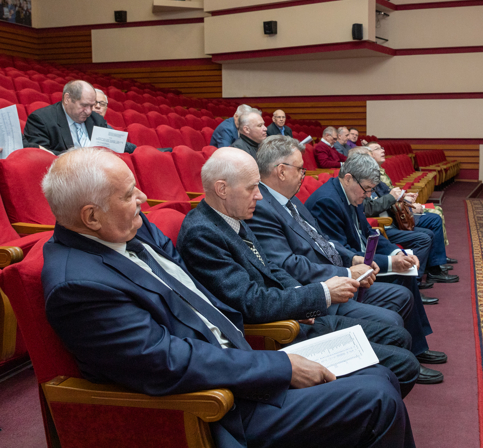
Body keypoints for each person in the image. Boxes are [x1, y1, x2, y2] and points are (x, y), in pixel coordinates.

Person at [41, 147, 414, 448]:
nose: (142, 198)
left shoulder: (130, 227)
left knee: (381, 375)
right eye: (127, 195)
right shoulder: (78, 286)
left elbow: (198, 294)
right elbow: (167, 361)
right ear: (91, 217)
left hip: (241, 358)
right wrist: (280, 367)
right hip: (217, 405)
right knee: (377, 398)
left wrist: (288, 318)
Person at [177, 148, 420, 396]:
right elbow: (250, 302)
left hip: (298, 315)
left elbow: (270, 267)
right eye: (251, 188)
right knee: (403, 365)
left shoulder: (231, 216)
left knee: (398, 337)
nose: (259, 195)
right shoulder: (202, 233)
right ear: (222, 189)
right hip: (280, 335)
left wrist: (302, 297)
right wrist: (322, 293)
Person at [247, 136, 445, 383]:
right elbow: (287, 265)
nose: (303, 175)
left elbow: (324, 241)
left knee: (401, 297)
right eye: (300, 169)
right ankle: (390, 373)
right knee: (394, 319)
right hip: (317, 290)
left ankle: (403, 363)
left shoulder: (290, 200)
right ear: (281, 171)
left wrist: (353, 259)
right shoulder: (263, 207)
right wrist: (347, 274)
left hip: (334, 276)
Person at [356, 145, 457, 284]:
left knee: (431, 226)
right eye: (368, 158)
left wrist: (405, 200)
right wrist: (395, 198)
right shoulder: (360, 184)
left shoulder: (373, 179)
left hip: (393, 218)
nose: (372, 161)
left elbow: (390, 195)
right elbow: (369, 208)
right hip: (383, 224)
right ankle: (415, 280)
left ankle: (432, 268)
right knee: (425, 236)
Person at [23, 80, 136, 154]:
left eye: (91, 106)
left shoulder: (96, 119)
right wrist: (80, 157)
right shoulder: (41, 120)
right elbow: (42, 156)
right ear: (67, 99)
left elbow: (116, 145)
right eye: (84, 105)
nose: (89, 111)